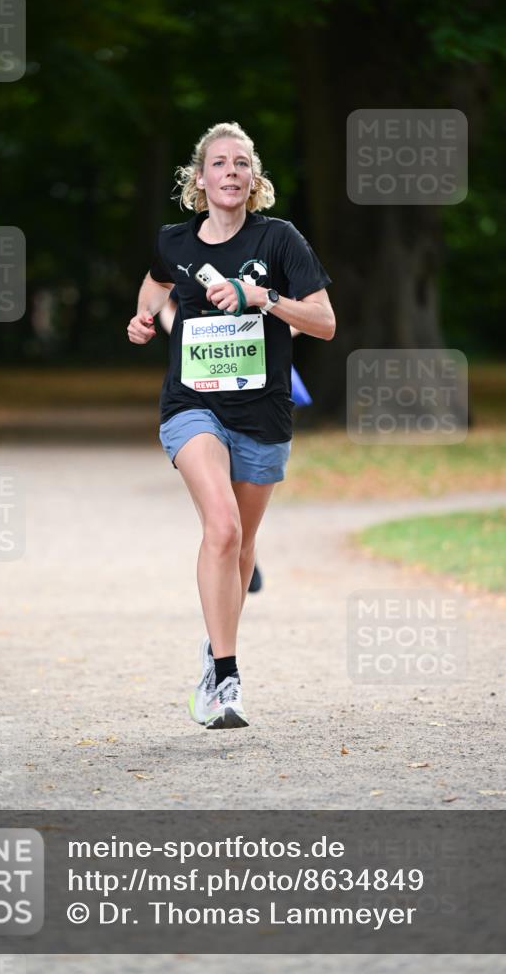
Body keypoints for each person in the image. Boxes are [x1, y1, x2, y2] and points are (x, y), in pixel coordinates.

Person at [127, 121, 335, 730]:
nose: (230, 172)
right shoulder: (174, 241)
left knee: (242, 543)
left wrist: (261, 299)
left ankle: (213, 647)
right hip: (191, 405)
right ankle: (226, 674)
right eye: (219, 163)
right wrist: (142, 319)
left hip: (264, 412)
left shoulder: (280, 241)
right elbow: (156, 284)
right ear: (200, 179)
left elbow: (324, 322)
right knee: (220, 528)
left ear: (254, 178)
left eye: (241, 163)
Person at [158, 287, 314, 594]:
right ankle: (234, 547)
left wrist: (264, 333)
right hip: (204, 386)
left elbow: (306, 313)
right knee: (217, 496)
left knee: (243, 490)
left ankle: (243, 550)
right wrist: (185, 333)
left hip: (257, 389)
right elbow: (168, 305)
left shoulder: (275, 255)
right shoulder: (191, 254)